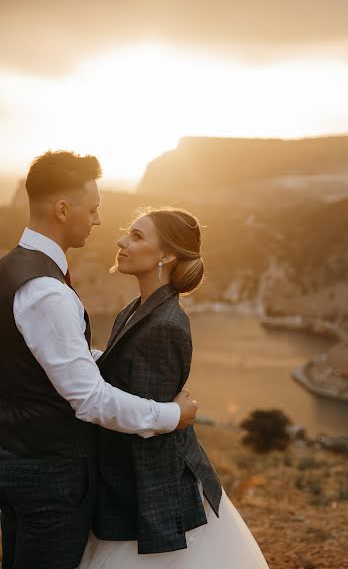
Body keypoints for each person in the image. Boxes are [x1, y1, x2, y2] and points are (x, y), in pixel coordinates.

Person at [0, 152, 198, 569]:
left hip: (16, 462)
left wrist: (99, 358)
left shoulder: (11, 269)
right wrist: (171, 415)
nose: (98, 221)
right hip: (50, 477)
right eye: (92, 210)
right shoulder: (47, 290)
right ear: (62, 210)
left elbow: (34, 355)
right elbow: (89, 400)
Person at [79, 207, 269, 568]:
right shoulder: (137, 309)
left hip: (147, 490)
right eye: (127, 232)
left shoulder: (166, 324)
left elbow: (150, 425)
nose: (121, 241)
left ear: (166, 255)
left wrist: (153, 518)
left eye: (137, 236)